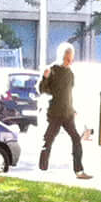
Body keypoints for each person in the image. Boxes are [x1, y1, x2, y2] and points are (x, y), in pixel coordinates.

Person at [38, 43, 87, 178]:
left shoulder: (70, 74)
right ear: (62, 56)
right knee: (48, 141)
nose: (69, 61)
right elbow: (42, 89)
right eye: (67, 58)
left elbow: (68, 94)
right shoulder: (52, 70)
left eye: (71, 58)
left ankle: (79, 170)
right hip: (55, 113)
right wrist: (45, 78)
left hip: (67, 114)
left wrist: (72, 108)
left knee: (76, 139)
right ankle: (42, 170)